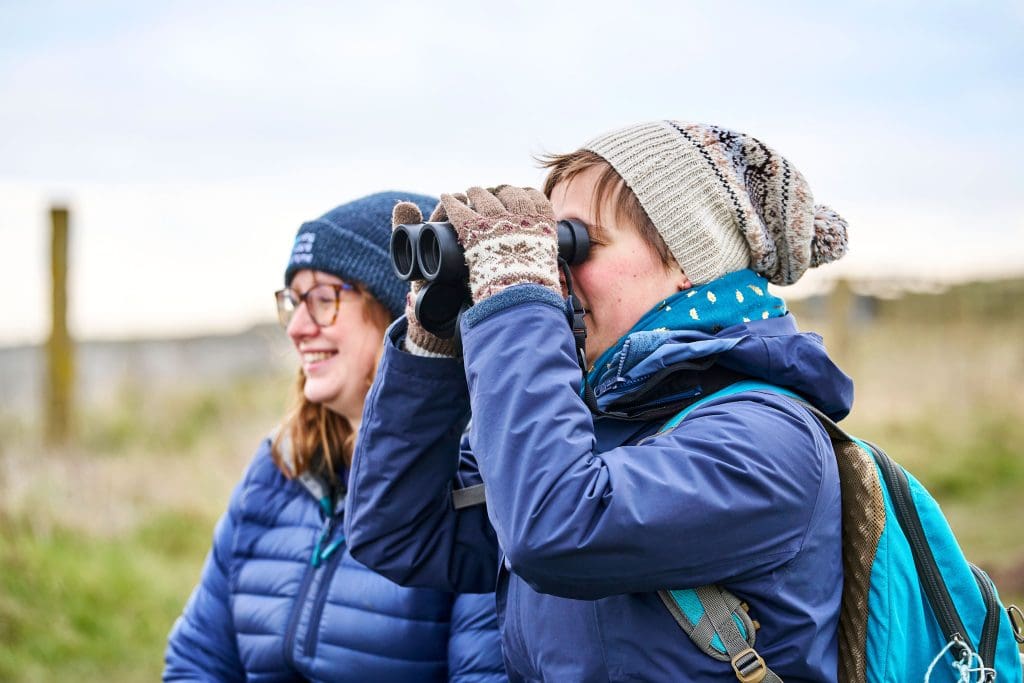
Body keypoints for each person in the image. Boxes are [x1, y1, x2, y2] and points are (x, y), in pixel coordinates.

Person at [345, 122, 854, 681]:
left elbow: (557, 529)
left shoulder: (767, 441)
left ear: (689, 262)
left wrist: (516, 304)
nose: (553, 272)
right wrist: (433, 346)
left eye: (573, 243)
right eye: (543, 245)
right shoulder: (597, 427)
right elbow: (400, 532)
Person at [164, 192, 507, 682]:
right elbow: (198, 661)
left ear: (404, 312)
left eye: (324, 299)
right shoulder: (278, 468)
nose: (297, 329)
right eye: (293, 301)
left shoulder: (474, 481)